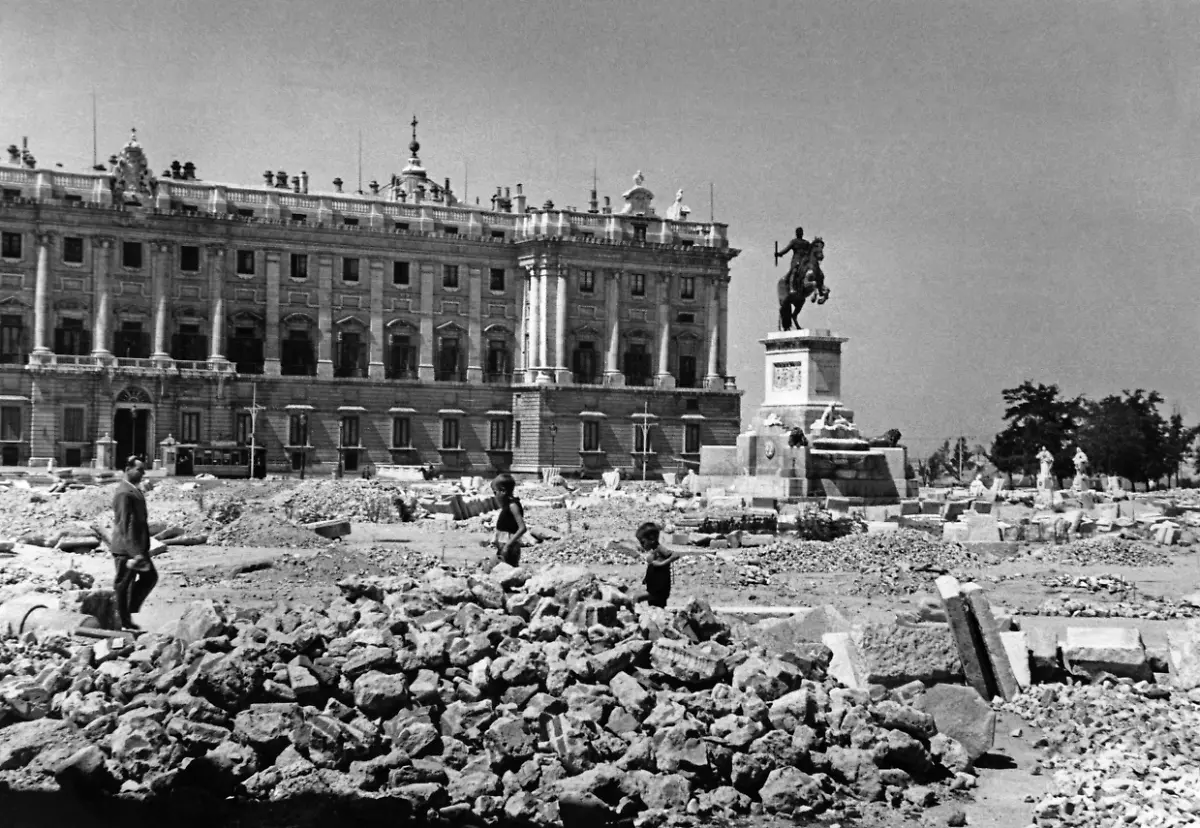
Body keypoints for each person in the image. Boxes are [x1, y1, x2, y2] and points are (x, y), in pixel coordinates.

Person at [111, 456, 157, 630]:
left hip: (136, 547)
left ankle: (126, 610)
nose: (143, 473)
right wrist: (135, 553)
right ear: (128, 469)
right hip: (126, 549)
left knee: (150, 577)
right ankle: (123, 622)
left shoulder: (133, 490)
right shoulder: (124, 492)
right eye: (139, 469)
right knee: (122, 585)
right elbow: (125, 525)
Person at [638, 521, 685, 609]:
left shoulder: (660, 549)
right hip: (654, 585)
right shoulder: (654, 551)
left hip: (660, 586)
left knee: (654, 602)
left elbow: (674, 555)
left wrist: (665, 562)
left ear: (652, 540)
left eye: (643, 542)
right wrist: (646, 578)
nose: (642, 545)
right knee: (653, 605)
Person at [491, 473, 527, 567]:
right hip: (503, 545)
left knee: (508, 568)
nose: (495, 496)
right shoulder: (507, 505)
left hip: (509, 546)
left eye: (495, 492)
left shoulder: (513, 506)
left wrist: (508, 545)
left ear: (503, 491)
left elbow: (522, 528)